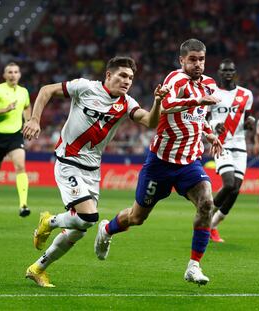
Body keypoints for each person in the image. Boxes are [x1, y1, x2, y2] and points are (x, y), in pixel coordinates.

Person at [22, 56, 170, 287]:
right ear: (109, 75)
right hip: (68, 161)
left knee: (79, 229)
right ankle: (49, 222)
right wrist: (34, 119)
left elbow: (150, 122)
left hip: (93, 170)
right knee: (89, 217)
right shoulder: (85, 87)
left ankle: (37, 268)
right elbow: (46, 90)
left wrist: (158, 101)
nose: (127, 81)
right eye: (122, 75)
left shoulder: (127, 103)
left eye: (130, 78)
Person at [94, 38, 223, 286]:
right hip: (161, 163)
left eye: (202, 59)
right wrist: (197, 101)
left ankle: (194, 266)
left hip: (189, 162)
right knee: (136, 218)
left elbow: (197, 115)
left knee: (207, 203)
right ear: (182, 60)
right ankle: (107, 230)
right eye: (193, 59)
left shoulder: (208, 84)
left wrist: (208, 132)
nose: (198, 64)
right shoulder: (175, 80)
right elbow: (166, 106)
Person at [207, 59, 254, 243]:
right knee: (228, 184)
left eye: (231, 70)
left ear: (235, 72)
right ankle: (207, 214)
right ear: (219, 72)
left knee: (235, 190)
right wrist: (213, 125)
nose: (228, 73)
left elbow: (248, 118)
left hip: (240, 146)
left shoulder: (246, 94)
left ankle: (213, 225)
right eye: (224, 70)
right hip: (221, 144)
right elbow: (205, 118)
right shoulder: (213, 94)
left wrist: (252, 123)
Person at [0, 62, 31, 217]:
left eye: (16, 72)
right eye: (9, 72)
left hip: (15, 136)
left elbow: (27, 106)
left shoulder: (23, 92)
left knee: (20, 167)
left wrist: (28, 122)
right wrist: (5, 110)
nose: (13, 75)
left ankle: (23, 205)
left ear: (19, 75)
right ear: (4, 75)